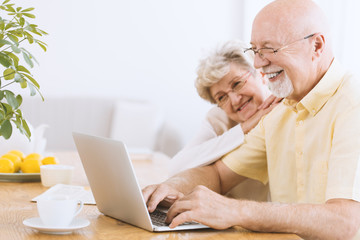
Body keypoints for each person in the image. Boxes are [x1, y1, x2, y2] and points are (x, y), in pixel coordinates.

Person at [142, 0, 360, 239]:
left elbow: (347, 222)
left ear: (316, 45)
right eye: (255, 51)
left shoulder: (352, 105)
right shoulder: (279, 110)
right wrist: (172, 187)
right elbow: (218, 175)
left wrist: (236, 210)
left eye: (269, 49)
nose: (258, 63)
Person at [169, 40, 280, 201]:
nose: (234, 100)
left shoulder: (284, 108)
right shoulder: (219, 118)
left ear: (261, 75)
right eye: (222, 97)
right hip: (229, 219)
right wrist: (243, 128)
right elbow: (175, 167)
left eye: (237, 84)